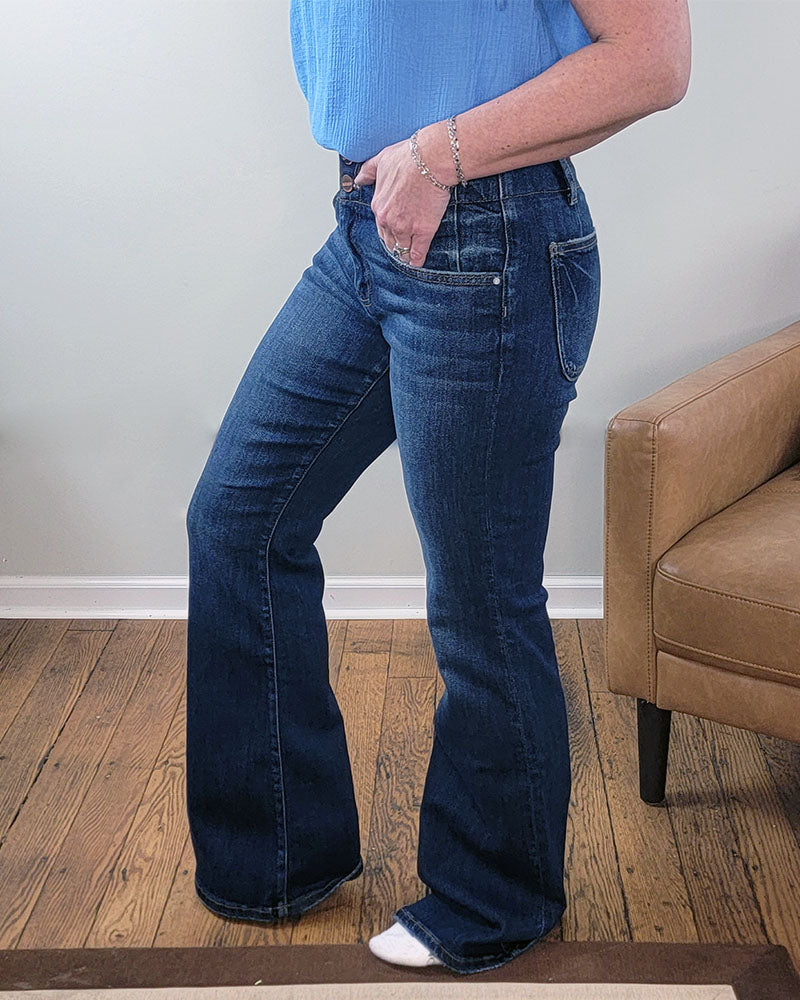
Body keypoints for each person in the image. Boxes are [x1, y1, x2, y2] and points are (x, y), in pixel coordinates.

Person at [184, 0, 691, 977]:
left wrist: (441, 154)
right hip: (370, 219)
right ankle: (276, 856)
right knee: (238, 519)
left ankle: (495, 896)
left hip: (486, 237)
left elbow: (652, 61)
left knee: (478, 593)